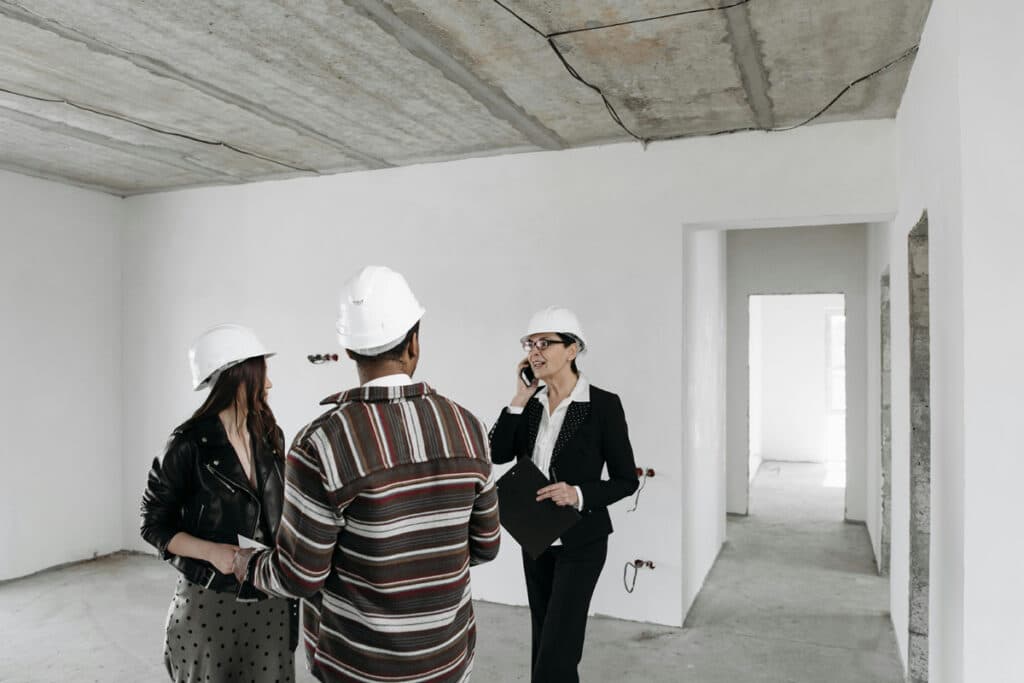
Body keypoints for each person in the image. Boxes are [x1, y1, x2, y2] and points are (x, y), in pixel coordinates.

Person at [232, 265, 501, 683]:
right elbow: (485, 547)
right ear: (414, 342)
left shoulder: (321, 444)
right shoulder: (470, 429)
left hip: (357, 667)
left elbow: (299, 576)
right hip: (447, 660)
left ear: (349, 350)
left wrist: (245, 564)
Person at [489, 306, 640, 683]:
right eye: (530, 344)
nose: (534, 352)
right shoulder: (529, 404)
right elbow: (497, 453)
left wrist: (578, 493)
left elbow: (626, 480)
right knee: (545, 640)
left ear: (572, 349)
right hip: (536, 537)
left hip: (582, 542)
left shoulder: (602, 406)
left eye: (545, 343)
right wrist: (519, 397)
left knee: (558, 649)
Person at [140, 323, 297, 683]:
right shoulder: (187, 445)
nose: (269, 384)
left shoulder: (271, 435)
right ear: (236, 377)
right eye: (262, 374)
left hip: (269, 595)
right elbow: (152, 523)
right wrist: (212, 552)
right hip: (210, 603)